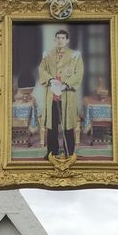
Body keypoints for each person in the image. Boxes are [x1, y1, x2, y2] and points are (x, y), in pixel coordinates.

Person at [38, 29, 84, 158]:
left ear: (67, 40)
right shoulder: (48, 55)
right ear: (55, 40)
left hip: (67, 94)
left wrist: (65, 84)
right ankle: (52, 152)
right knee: (52, 126)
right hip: (52, 94)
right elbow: (42, 69)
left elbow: (78, 73)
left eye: (63, 38)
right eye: (58, 38)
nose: (60, 40)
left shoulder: (75, 55)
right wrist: (51, 80)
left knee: (68, 125)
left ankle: (69, 152)